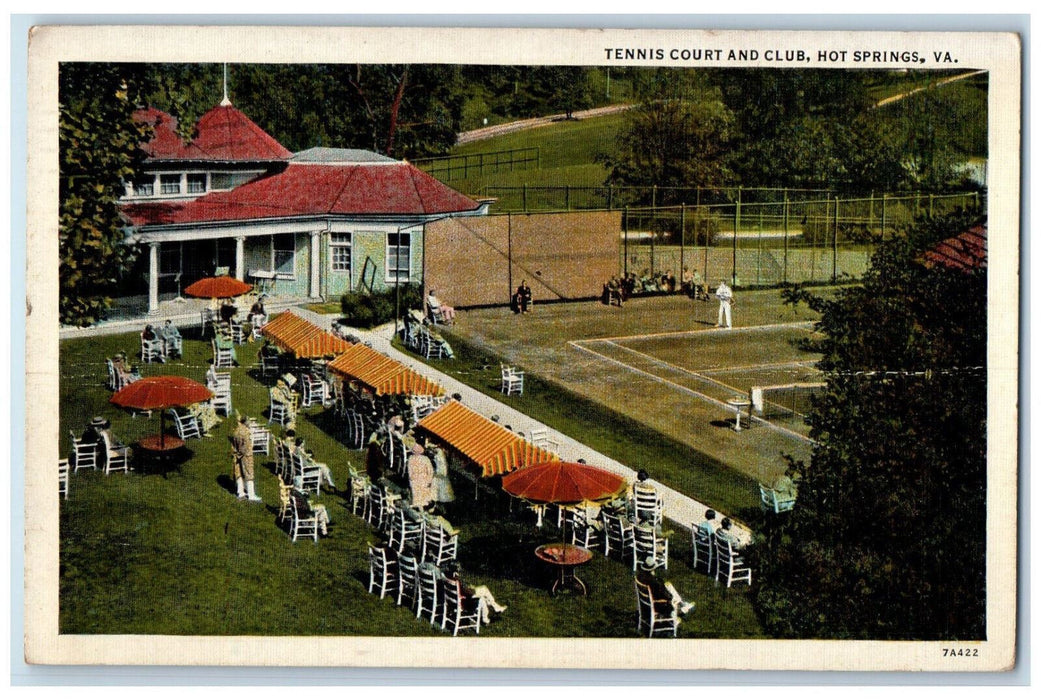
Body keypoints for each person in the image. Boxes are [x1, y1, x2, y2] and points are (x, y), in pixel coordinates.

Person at [442, 561, 507, 624]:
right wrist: (473, 589)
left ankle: (491, 612)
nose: (460, 569)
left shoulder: (447, 576)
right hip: (464, 601)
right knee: (484, 590)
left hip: (453, 599)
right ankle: (494, 609)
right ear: (456, 569)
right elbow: (468, 592)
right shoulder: (457, 580)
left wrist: (469, 587)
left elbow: (462, 588)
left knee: (484, 594)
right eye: (459, 567)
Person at [230, 414, 262, 502]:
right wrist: (242, 453)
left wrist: (237, 454)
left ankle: (240, 492)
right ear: (246, 422)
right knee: (249, 474)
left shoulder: (236, 431)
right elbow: (246, 446)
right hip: (246, 455)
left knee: (238, 473)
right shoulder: (245, 432)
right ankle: (251, 495)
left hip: (236, 454)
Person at [406, 443, 436, 511]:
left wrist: (411, 479)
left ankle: (421, 508)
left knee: (419, 495)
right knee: (421, 496)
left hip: (418, 479)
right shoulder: (425, 459)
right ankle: (422, 509)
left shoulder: (411, 458)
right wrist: (429, 480)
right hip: (422, 479)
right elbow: (430, 470)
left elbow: (410, 471)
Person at [430, 443, 455, 508]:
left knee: (440, 489)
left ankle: (438, 503)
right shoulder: (440, 454)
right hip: (439, 473)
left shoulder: (440, 455)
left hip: (440, 472)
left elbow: (442, 467)